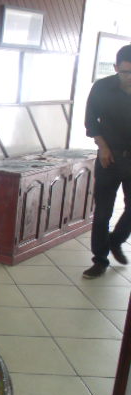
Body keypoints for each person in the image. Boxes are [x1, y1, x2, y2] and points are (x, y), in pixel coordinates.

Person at [82, 44, 131, 279]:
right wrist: (102, 146)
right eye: (126, 72)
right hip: (109, 157)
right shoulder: (102, 87)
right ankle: (99, 260)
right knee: (102, 213)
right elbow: (91, 120)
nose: (130, 78)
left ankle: (116, 240)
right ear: (116, 68)